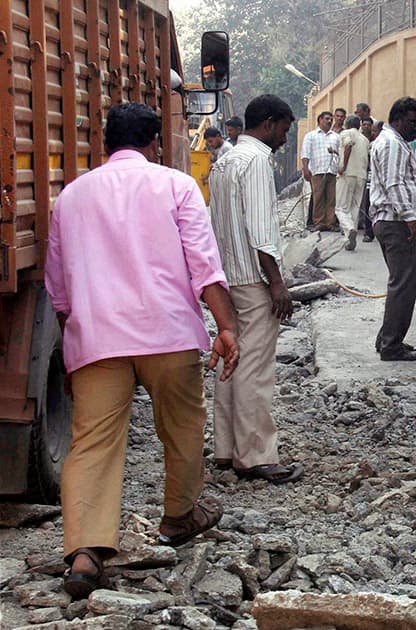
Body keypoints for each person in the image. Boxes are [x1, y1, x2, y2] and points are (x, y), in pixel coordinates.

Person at [45, 103, 239, 600]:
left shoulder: (69, 198)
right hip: (168, 335)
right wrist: (227, 327)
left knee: (92, 442)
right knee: (182, 426)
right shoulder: (175, 186)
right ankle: (178, 516)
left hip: (98, 339)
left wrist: (77, 338)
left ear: (106, 143)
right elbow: (204, 263)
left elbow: (59, 289)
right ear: (154, 142)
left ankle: (86, 553)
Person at [208, 94, 304, 484]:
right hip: (253, 276)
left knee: (232, 353)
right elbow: (261, 227)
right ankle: (255, 455)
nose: (284, 139)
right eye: (283, 130)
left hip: (227, 274)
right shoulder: (258, 160)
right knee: (254, 365)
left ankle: (227, 448)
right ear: (268, 123)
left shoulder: (224, 159)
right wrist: (277, 283)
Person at [369, 96, 416, 361]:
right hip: (398, 224)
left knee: (401, 285)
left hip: (397, 222)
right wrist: (410, 218)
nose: (415, 128)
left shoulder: (398, 144)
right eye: (411, 122)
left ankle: (388, 338)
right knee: (403, 286)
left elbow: (413, 175)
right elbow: (394, 184)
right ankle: (391, 346)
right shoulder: (391, 144)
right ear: (397, 119)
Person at [300, 111, 341, 232]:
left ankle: (330, 222)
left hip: (332, 171)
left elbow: (340, 153)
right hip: (317, 171)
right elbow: (305, 153)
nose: (329, 121)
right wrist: (305, 169)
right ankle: (318, 222)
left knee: (331, 198)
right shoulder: (311, 136)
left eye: (330, 119)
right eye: (327, 119)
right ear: (320, 120)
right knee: (318, 198)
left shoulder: (336, 137)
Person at [337, 114, 370, 251]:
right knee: (354, 207)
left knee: (341, 207)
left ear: (347, 124)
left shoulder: (345, 133)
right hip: (361, 175)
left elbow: (349, 145)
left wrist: (343, 167)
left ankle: (349, 229)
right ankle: (349, 238)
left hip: (347, 174)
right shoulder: (365, 139)